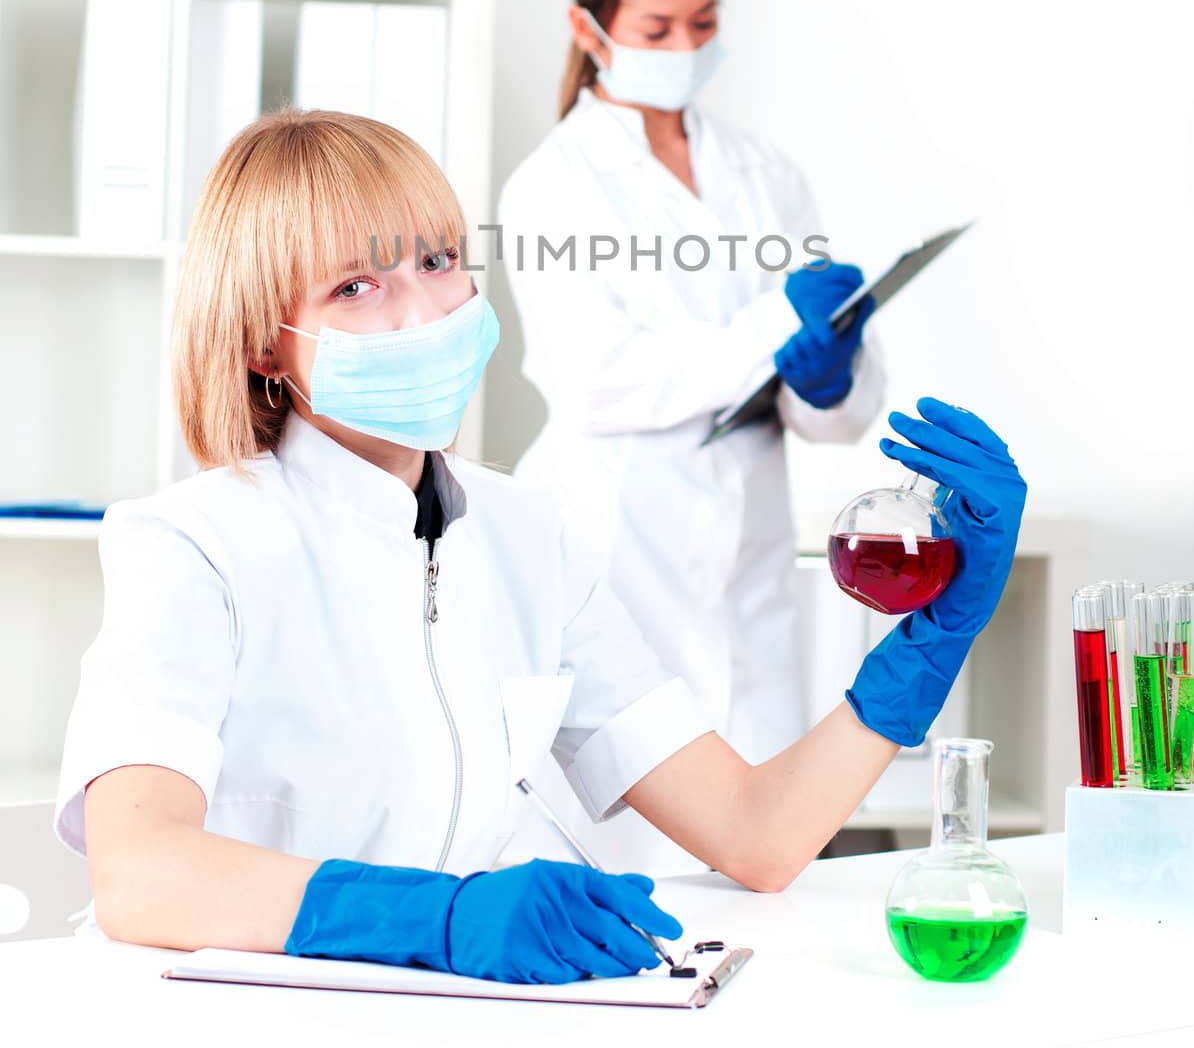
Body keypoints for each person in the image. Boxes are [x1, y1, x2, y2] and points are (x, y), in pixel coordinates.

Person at [56, 108, 1025, 983]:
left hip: (446, 1015)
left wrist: (936, 636)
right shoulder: (192, 544)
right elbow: (141, 871)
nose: (422, 312)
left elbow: (756, 833)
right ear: (266, 345)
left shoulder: (528, 535)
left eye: (438, 261)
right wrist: (437, 915)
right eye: (356, 285)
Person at [498, 0, 885, 870]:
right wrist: (774, 326)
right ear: (589, 28)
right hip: (617, 539)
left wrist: (829, 373)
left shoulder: (767, 175)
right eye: (657, 28)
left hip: (745, 549)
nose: (686, 45)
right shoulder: (554, 183)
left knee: (771, 851)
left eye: (703, 24)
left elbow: (829, 412)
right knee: (622, 856)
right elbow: (597, 378)